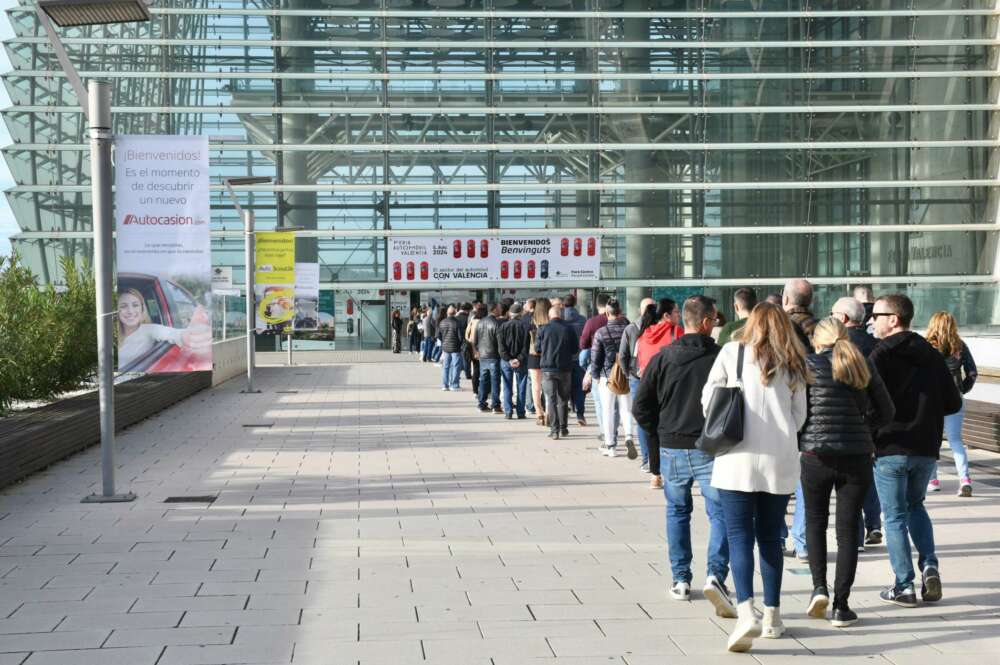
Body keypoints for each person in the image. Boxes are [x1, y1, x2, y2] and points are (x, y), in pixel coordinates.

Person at [701, 302, 809, 652]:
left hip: (736, 459)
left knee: (738, 536)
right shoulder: (793, 360)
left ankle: (747, 610)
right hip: (778, 460)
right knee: (771, 538)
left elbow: (709, 401)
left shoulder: (732, 352)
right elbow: (800, 417)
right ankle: (774, 615)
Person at [633, 295, 735, 619]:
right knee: (720, 514)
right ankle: (716, 574)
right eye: (715, 320)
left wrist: (658, 432)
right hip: (710, 446)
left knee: (677, 512)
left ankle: (680, 578)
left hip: (672, 444)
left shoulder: (664, 357)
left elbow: (641, 406)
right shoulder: (721, 358)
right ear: (705, 322)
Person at [799, 318, 895, 628]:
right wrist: (864, 431)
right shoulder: (861, 363)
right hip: (856, 457)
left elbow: (798, 410)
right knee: (848, 531)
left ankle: (818, 589)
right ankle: (842, 606)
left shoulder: (808, 365)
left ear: (818, 341)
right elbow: (888, 410)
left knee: (815, 522)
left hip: (815, 456)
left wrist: (804, 436)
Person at [869, 294, 961, 608]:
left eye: (876, 314)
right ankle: (930, 565)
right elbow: (954, 402)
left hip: (890, 446)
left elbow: (867, 400)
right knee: (916, 506)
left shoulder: (878, 355)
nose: (872, 320)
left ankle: (904, 585)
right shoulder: (932, 355)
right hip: (925, 448)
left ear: (893, 319)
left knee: (893, 517)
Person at [830, 295, 882, 546]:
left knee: (849, 484)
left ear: (843, 319)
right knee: (865, 475)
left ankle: (859, 535)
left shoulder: (838, 348)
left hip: (844, 423)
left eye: (833, 314)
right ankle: (874, 522)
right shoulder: (876, 345)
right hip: (872, 421)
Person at [782, 278, 817, 562]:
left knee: (780, 478)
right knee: (805, 481)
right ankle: (802, 541)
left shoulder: (778, 330)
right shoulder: (822, 329)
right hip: (815, 414)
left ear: (785, 300)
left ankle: (780, 535)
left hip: (782, 414)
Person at [924, 311, 978, 497]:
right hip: (955, 399)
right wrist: (962, 389)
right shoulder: (960, 346)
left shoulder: (925, 347)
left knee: (931, 440)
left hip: (931, 400)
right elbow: (972, 372)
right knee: (955, 440)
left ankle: (933, 480)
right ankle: (964, 480)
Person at [634, 298, 681, 484]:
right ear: (667, 315)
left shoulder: (644, 334)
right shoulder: (675, 331)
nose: (679, 315)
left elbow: (639, 360)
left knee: (653, 432)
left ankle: (656, 474)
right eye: (676, 312)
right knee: (671, 429)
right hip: (670, 386)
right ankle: (673, 470)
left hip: (648, 386)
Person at [117, 288, 211, 368]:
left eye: (135, 305)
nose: (130, 311)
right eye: (123, 306)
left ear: (142, 308)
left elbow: (172, 334)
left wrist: (189, 335)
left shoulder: (148, 330)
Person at [587, 299, 634, 458]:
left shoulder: (601, 332)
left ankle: (611, 445)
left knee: (607, 411)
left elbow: (595, 356)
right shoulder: (629, 330)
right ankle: (628, 437)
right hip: (626, 374)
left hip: (607, 376)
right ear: (620, 312)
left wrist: (594, 375)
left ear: (607, 313)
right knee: (626, 409)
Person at [620, 297, 654, 469]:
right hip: (654, 378)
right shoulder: (659, 328)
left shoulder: (631, 328)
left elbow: (623, 355)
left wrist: (629, 374)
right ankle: (653, 459)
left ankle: (647, 459)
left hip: (637, 378)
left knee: (641, 418)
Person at [538, 305, 579, 439]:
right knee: (563, 400)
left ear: (549, 316)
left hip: (548, 369)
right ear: (560, 315)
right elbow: (574, 349)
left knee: (551, 399)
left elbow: (537, 348)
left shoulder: (543, 329)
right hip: (565, 368)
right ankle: (563, 428)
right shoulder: (569, 328)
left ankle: (554, 430)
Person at [581, 294, 611, 440]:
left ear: (597, 305)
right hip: (616, 366)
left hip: (597, 365)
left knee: (600, 402)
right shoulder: (621, 321)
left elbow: (583, 344)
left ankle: (604, 432)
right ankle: (613, 431)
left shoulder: (591, 322)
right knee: (615, 404)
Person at [498, 303, 531, 419]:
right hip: (521, 361)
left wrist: (509, 359)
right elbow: (525, 347)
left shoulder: (503, 326)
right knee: (521, 385)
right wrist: (518, 358)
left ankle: (508, 411)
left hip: (506, 361)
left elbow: (501, 347)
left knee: (507, 385)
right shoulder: (525, 327)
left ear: (510, 314)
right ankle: (520, 412)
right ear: (521, 313)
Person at [562, 294, 588, 426]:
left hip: (564, 359)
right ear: (575, 303)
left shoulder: (560, 319)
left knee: (563, 388)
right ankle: (580, 414)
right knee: (579, 387)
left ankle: (564, 414)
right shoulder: (583, 320)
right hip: (579, 357)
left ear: (563, 304)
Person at [528, 297, 552, 426]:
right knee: (548, 386)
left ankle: (539, 414)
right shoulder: (550, 322)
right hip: (548, 355)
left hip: (533, 356)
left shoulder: (530, 320)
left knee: (535, 386)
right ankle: (549, 412)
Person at [475, 304, 503, 413]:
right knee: (495, 381)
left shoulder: (480, 322)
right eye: (499, 308)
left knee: (483, 380)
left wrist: (478, 351)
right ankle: (495, 405)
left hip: (483, 355)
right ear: (494, 309)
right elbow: (499, 342)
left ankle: (481, 403)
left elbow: (476, 340)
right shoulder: (496, 323)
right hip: (493, 355)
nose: (501, 310)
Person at [437, 306, 463, 391]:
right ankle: (454, 385)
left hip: (446, 347)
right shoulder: (457, 322)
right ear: (455, 313)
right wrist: (460, 344)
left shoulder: (442, 322)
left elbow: (438, 335)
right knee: (456, 366)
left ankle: (445, 385)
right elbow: (460, 337)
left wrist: (444, 341)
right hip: (455, 347)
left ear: (447, 313)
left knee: (446, 366)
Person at [465, 304, 485, 399]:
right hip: (480, 349)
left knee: (475, 370)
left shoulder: (472, 321)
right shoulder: (482, 322)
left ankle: (475, 391)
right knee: (481, 371)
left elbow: (467, 335)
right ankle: (481, 390)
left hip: (471, 347)